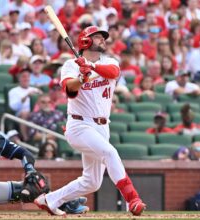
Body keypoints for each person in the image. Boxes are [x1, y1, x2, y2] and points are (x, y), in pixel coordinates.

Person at [34, 26, 146, 216]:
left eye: (104, 37)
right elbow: (70, 90)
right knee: (110, 153)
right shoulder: (71, 65)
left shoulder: (109, 61)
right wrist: (81, 77)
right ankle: (132, 199)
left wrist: (91, 67)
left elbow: (112, 72)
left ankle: (49, 200)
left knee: (92, 182)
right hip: (79, 125)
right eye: (98, 37)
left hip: (102, 127)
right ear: (86, 41)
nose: (103, 39)